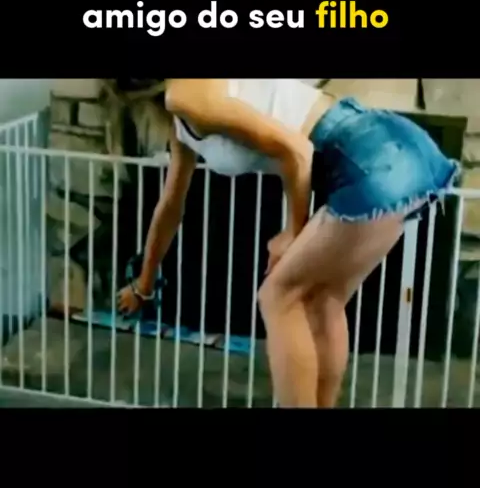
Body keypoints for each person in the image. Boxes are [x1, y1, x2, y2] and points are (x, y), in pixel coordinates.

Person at [117, 79, 460, 408]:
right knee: (324, 301)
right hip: (395, 149)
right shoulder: (184, 120)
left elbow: (297, 150)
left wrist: (292, 234)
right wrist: (144, 284)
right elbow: (170, 206)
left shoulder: (182, 93)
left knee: (278, 297)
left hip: (368, 153)